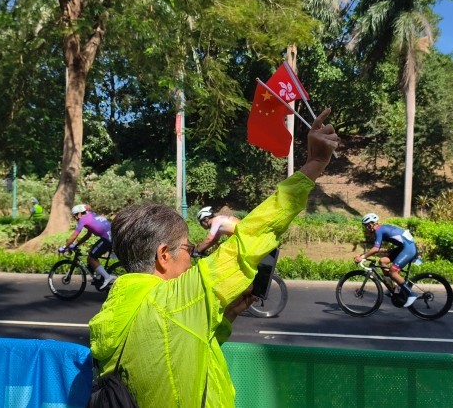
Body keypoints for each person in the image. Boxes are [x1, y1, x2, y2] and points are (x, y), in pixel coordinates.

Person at [89, 108, 339, 407]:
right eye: (188, 249)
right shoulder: (173, 302)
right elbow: (252, 235)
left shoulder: (119, 310)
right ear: (164, 256)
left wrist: (229, 314)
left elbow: (178, 354)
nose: (192, 258)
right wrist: (315, 163)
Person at [354, 213, 419, 307]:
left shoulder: (378, 231)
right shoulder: (381, 228)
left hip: (408, 248)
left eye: (366, 226)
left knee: (393, 272)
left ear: (371, 224)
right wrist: (362, 255)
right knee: (382, 261)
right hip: (404, 247)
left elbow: (376, 249)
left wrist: (362, 257)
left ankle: (411, 294)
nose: (366, 228)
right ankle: (392, 287)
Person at [59, 204, 116, 290]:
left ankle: (107, 277)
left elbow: (74, 235)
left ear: (79, 214)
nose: (76, 218)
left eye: (75, 215)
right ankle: (101, 276)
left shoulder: (83, 219)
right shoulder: (91, 216)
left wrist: (64, 247)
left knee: (91, 258)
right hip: (112, 237)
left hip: (107, 239)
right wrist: (76, 244)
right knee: (93, 255)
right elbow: (88, 235)